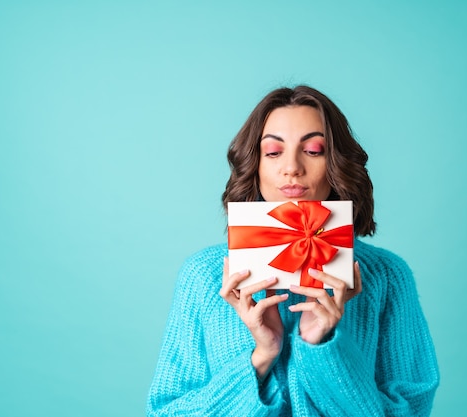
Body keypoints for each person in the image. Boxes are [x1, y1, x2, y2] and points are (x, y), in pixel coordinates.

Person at [147, 85, 439, 416]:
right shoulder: (204, 274)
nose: (292, 168)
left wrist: (320, 347)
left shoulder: (386, 275)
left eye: (313, 150)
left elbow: (410, 409)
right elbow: (166, 411)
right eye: (273, 152)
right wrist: (263, 355)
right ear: (254, 164)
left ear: (336, 163)